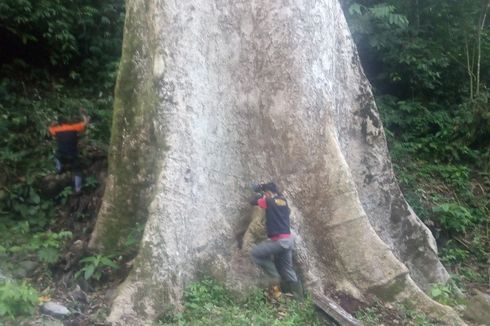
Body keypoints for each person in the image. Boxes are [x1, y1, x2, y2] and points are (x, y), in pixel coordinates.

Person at [249, 182, 303, 300]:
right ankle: (300, 300)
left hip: (278, 241)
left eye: (266, 193)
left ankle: (274, 277)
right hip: (289, 240)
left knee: (255, 253)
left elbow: (252, 201)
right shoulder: (283, 201)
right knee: (287, 270)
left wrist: (258, 192)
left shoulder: (267, 201)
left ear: (268, 193)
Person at [49, 108, 90, 193]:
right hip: (72, 155)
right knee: (78, 171)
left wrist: (53, 124)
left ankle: (59, 169)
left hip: (61, 155)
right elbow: (86, 123)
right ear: (67, 122)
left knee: (56, 156)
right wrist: (84, 115)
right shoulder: (73, 127)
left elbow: (50, 129)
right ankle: (78, 189)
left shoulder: (56, 130)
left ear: (59, 123)